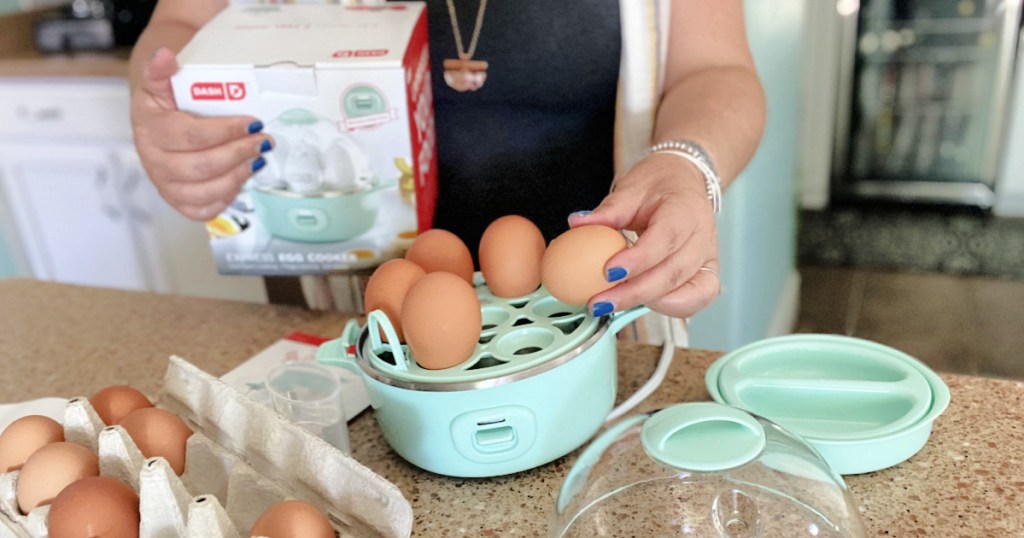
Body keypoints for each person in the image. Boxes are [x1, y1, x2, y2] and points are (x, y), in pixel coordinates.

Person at [129, 0, 765, 326]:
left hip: (600, 312)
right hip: (349, 319)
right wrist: (167, 109)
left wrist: (687, 164)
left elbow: (716, 70)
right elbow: (182, 20)